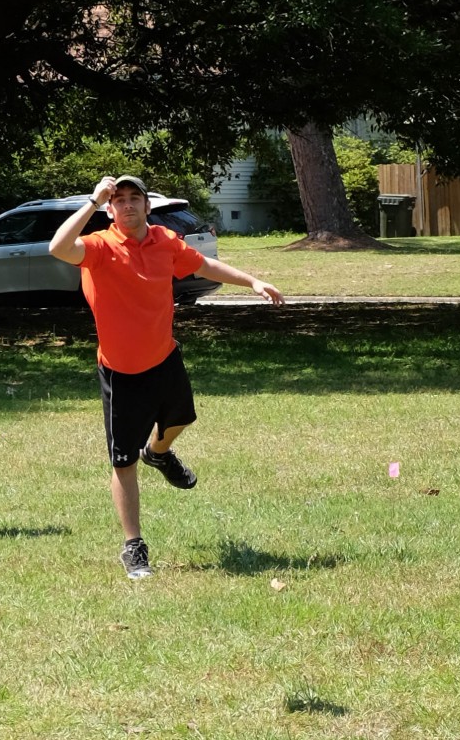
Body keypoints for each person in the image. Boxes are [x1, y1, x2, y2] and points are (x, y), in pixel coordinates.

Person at [48, 174, 285, 580]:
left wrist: (252, 281)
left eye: (134, 198)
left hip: (163, 357)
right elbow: (58, 247)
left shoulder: (165, 241)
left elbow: (203, 264)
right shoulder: (99, 247)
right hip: (120, 371)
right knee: (123, 461)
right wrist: (92, 201)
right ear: (110, 209)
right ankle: (133, 546)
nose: (127, 205)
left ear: (147, 205)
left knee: (181, 418)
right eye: (119, 200)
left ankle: (158, 452)